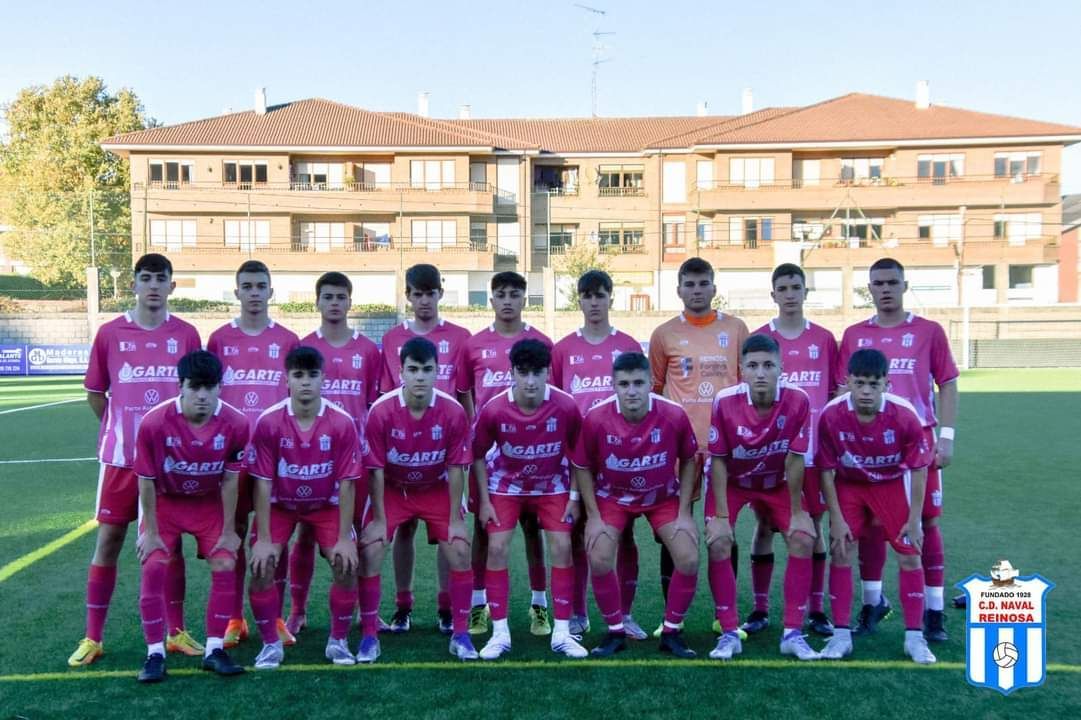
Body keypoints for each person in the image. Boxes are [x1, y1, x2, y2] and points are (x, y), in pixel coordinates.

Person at [69, 253, 202, 667]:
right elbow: (96, 394)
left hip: (170, 464)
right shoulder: (110, 333)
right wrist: (124, 431)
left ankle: (176, 631)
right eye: (145, 279)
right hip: (121, 462)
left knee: (170, 545)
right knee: (108, 542)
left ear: (171, 287)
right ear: (134, 285)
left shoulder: (186, 334)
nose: (153, 286)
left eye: (161, 279)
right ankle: (93, 637)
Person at [837, 258, 959, 642]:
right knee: (871, 526)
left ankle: (934, 611)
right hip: (868, 447)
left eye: (892, 282)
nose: (885, 289)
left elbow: (948, 383)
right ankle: (873, 602)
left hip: (918, 442)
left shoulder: (929, 331)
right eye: (878, 283)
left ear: (905, 286)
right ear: (869, 289)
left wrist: (948, 436)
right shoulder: (854, 334)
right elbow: (844, 390)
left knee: (926, 522)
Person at [356, 337, 478, 662]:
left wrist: (454, 521)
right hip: (394, 489)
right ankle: (369, 636)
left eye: (427, 369)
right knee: (370, 548)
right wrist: (380, 520)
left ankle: (461, 634)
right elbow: (376, 470)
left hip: (435, 487)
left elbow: (456, 468)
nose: (420, 377)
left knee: (461, 548)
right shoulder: (381, 412)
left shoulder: (452, 411)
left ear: (437, 372)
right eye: (413, 369)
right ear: (401, 373)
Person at [573, 352, 700, 659]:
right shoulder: (597, 417)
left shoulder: (673, 414)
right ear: (614, 385)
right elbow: (582, 465)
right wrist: (592, 516)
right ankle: (615, 632)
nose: (632, 391)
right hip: (613, 497)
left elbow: (690, 459)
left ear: (651, 384)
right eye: (624, 384)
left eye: (638, 383)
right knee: (599, 555)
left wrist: (684, 512)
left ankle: (672, 632)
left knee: (689, 557)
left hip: (661, 498)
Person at [132, 351, 248, 682]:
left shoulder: (237, 423)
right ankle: (155, 653)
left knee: (226, 560)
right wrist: (150, 532)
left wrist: (228, 530)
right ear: (180, 386)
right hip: (166, 504)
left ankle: (214, 649)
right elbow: (146, 479)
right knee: (154, 563)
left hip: (206, 503)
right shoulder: (154, 422)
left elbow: (229, 479)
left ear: (219, 388)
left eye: (209, 387)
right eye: (195, 386)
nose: (202, 395)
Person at [816, 348, 937, 664]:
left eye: (873, 384)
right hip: (850, 486)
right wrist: (837, 518)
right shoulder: (831, 414)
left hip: (891, 484)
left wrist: (914, 520)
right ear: (848, 382)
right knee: (841, 550)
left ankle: (915, 637)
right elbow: (826, 471)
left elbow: (919, 469)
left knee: (910, 555)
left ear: (887, 383)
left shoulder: (904, 414)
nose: (866, 391)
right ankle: (840, 636)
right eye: (860, 384)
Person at [647, 257, 748, 636]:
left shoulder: (736, 329)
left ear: (714, 287)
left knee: (724, 529)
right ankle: (672, 617)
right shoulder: (663, 334)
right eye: (689, 284)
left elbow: (743, 385)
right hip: (680, 452)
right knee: (674, 532)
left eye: (703, 283)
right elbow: (655, 391)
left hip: (725, 448)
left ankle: (726, 616)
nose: (697, 290)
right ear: (678, 290)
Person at [246, 346, 363, 669]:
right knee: (261, 565)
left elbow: (349, 482)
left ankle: (338, 642)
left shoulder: (341, 422)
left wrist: (343, 537)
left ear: (323, 378)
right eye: (298, 376)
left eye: (312, 375)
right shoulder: (269, 422)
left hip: (325, 504)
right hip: (280, 505)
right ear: (287, 380)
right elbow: (262, 483)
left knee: (347, 562)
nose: (306, 383)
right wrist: (265, 539)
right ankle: (271, 644)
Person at [705, 334, 819, 661]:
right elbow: (720, 461)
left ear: (781, 368)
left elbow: (796, 459)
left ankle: (793, 633)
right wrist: (722, 517)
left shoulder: (798, 400)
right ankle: (728, 633)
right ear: (741, 369)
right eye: (752, 365)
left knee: (801, 538)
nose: (760, 373)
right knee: (719, 542)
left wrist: (798, 511)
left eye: (768, 365)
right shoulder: (725, 401)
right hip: (735, 481)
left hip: (777, 480)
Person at [473, 339, 587, 659]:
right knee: (496, 547)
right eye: (523, 373)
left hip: (552, 484)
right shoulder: (494, 408)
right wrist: (483, 501)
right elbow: (478, 455)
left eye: (537, 372)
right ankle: (500, 634)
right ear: (512, 373)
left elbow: (578, 453)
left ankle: (562, 633)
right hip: (505, 485)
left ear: (547, 372)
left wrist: (575, 497)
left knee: (563, 547)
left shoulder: (565, 406)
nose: (531, 381)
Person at [207, 260, 300, 647]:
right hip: (230, 458)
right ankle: (233, 618)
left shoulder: (289, 341)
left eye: (261, 286)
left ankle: (274, 615)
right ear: (237, 293)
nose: (255, 293)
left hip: (274, 459)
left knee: (272, 537)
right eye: (247, 286)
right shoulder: (218, 339)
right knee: (234, 534)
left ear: (271, 292)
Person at [378, 264, 472, 634]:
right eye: (417, 293)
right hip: (402, 450)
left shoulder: (461, 336)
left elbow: (465, 394)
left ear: (440, 294)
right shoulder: (390, 340)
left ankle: (447, 608)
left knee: (449, 533)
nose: (424, 300)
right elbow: (386, 394)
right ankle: (403, 606)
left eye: (430, 293)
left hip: (444, 449)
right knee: (403, 531)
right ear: (408, 297)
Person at [748, 263, 840, 637]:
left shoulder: (823, 339)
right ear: (773, 295)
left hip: (814, 452)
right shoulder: (759, 339)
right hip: (769, 454)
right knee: (765, 524)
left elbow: (834, 393)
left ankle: (816, 609)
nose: (789, 294)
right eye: (782, 288)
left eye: (795, 287)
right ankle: (759, 608)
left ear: (805, 292)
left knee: (813, 526)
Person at [550, 270, 643, 637]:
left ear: (611, 298)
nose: (593, 303)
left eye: (600, 295)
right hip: (575, 458)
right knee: (577, 534)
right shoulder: (563, 349)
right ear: (579, 301)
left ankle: (626, 613)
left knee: (625, 533)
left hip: (621, 454)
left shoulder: (630, 344)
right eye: (586, 296)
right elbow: (555, 401)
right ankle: (577, 612)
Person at [461, 272, 552, 636]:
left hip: (531, 448)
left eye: (515, 294)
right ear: (492, 300)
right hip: (489, 452)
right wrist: (476, 429)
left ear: (525, 299)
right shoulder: (473, 344)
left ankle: (539, 605)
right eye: (501, 294)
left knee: (534, 527)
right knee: (485, 528)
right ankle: (478, 604)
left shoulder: (542, 342)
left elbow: (551, 394)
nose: (508, 300)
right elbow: (464, 391)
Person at [296, 272, 381, 637]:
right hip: (309, 459)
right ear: (317, 302)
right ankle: (297, 611)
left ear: (350, 302)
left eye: (340, 297)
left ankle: (361, 607)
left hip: (353, 459)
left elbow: (374, 404)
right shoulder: (304, 347)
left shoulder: (368, 350)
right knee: (303, 535)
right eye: (327, 296)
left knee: (358, 534)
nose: (334, 303)